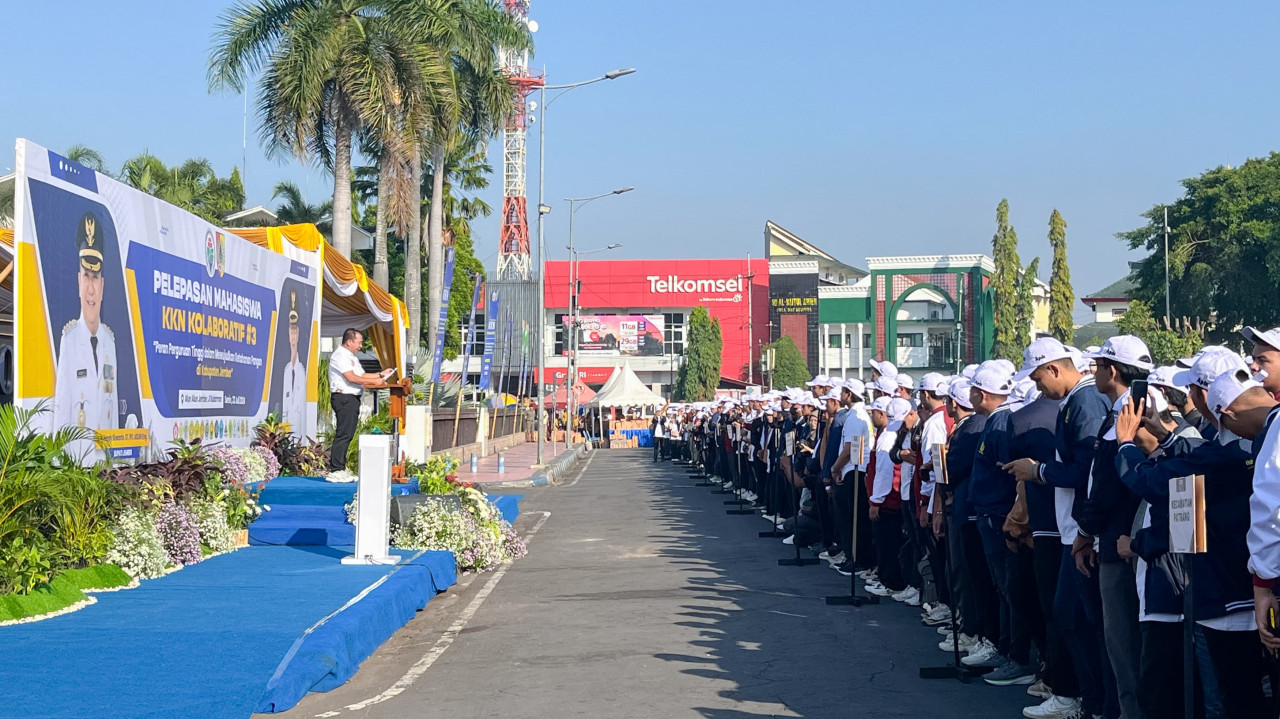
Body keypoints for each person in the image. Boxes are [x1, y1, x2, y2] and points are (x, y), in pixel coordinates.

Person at [54, 211, 121, 458]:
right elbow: (62, 410)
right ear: (78, 283)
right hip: (77, 467)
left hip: (104, 466)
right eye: (86, 278)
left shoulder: (110, 343)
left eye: (96, 278)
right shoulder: (69, 340)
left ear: (103, 287)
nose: (91, 289)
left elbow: (112, 408)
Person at [326, 328, 393, 476]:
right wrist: (376, 381)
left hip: (353, 398)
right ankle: (336, 469)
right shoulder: (339, 355)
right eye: (359, 342)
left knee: (349, 433)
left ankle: (341, 467)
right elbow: (351, 378)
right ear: (349, 341)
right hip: (343, 398)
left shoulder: (352, 357)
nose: (361, 346)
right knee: (343, 433)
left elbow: (361, 374)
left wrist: (381, 374)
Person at [281, 290, 308, 439]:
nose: (293, 336)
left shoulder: (302, 369)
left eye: (295, 331)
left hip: (298, 431)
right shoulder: (285, 370)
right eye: (290, 331)